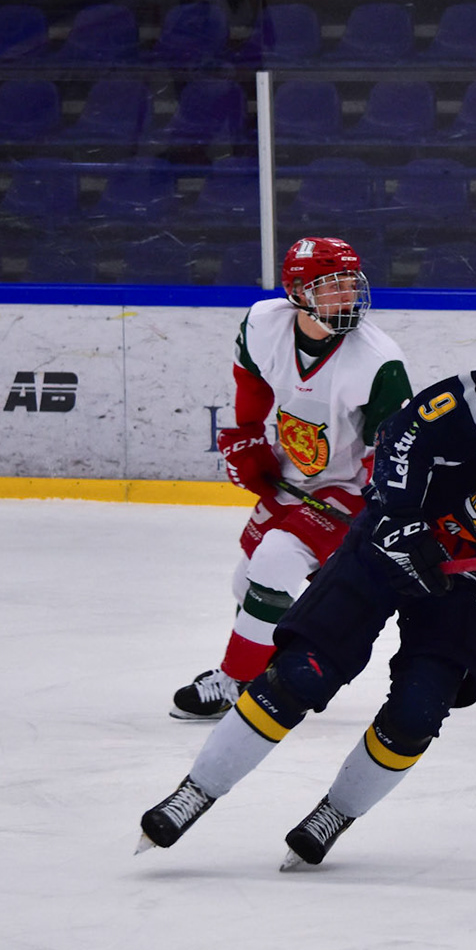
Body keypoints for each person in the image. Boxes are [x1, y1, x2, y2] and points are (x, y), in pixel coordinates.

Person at [138, 313, 476, 869]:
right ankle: (194, 793)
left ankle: (334, 814)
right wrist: (400, 520)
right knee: (303, 673)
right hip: (396, 540)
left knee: (419, 711)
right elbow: (406, 431)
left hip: (474, 579)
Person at [169, 236, 412, 720]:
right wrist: (245, 435)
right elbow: (251, 379)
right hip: (292, 471)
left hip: (349, 487)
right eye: (332, 287)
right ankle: (269, 668)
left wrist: (377, 505)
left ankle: (238, 682)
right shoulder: (264, 323)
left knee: (275, 561)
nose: (347, 296)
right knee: (247, 583)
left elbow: (395, 448)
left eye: (351, 284)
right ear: (298, 292)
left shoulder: (378, 360)